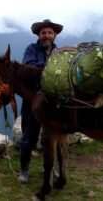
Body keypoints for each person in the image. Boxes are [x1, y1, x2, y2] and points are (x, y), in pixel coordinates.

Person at [18, 19, 63, 183]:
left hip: (52, 103)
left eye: (50, 33)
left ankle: (49, 168)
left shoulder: (59, 52)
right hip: (32, 102)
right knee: (29, 136)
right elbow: (28, 68)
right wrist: (48, 63)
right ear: (39, 35)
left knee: (51, 138)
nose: (47, 36)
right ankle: (24, 169)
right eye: (43, 33)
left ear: (55, 35)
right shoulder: (31, 49)